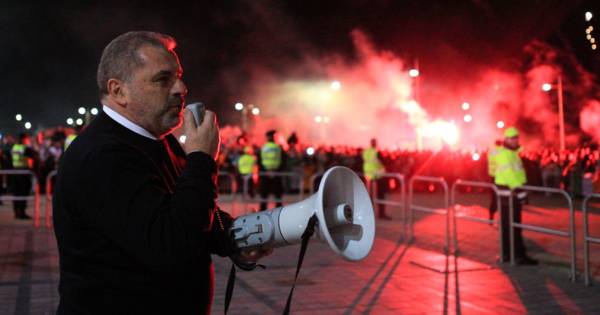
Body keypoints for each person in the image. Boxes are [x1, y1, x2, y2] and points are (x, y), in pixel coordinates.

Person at [53, 31, 266, 314]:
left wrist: (232, 239)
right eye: (162, 79)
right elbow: (172, 245)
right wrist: (201, 160)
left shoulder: (157, 140)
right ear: (119, 91)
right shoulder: (102, 156)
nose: (181, 87)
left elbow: (184, 211)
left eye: (178, 75)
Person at [494, 127, 537, 265]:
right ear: (506, 139)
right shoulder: (505, 154)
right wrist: (521, 192)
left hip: (512, 194)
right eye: (513, 138)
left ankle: (509, 254)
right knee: (513, 225)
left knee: (510, 225)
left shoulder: (512, 154)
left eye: (517, 137)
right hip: (510, 194)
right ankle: (517, 256)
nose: (516, 140)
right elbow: (510, 176)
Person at [363, 138, 390, 220]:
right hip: (377, 176)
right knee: (380, 196)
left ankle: (369, 213)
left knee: (370, 196)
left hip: (368, 176)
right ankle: (381, 213)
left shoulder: (366, 152)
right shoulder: (376, 152)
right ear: (375, 143)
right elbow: (382, 162)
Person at [10, 133, 35, 219]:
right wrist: (31, 145)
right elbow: (33, 155)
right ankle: (22, 213)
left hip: (15, 172)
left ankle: (16, 212)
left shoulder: (14, 147)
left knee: (16, 193)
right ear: (23, 139)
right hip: (23, 172)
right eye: (27, 139)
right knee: (23, 192)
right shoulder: (24, 148)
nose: (27, 140)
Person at [258, 130, 284, 210]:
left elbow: (260, 161)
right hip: (276, 173)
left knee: (264, 195)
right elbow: (282, 160)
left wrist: (266, 171)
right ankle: (278, 211)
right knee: (278, 195)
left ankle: (262, 211)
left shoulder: (263, 147)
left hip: (265, 173)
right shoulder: (278, 148)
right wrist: (276, 171)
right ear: (273, 138)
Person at [487, 139, 502, 221]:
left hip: (492, 177)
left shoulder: (491, 152)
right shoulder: (502, 152)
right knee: (502, 197)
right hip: (501, 177)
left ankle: (491, 217)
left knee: (493, 198)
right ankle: (503, 218)